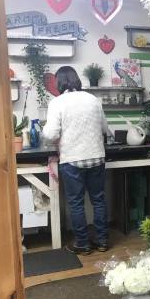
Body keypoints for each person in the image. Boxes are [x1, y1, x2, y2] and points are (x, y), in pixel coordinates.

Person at [42, 66, 112, 255]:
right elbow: (106, 129)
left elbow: (50, 134)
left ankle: (83, 244)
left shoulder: (57, 102)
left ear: (59, 82)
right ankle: (102, 240)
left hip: (72, 160)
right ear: (76, 79)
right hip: (96, 157)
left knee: (76, 203)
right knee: (98, 200)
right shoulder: (92, 100)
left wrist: (43, 130)